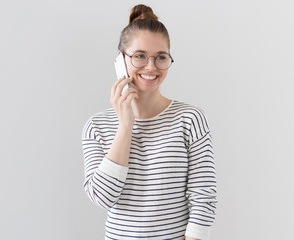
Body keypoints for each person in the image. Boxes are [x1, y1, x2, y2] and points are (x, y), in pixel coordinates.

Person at [82, 4, 217, 240]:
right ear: (120, 60)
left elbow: (203, 196)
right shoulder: (97, 126)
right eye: (140, 56)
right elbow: (102, 197)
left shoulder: (190, 119)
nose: (151, 67)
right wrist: (125, 127)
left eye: (160, 57)